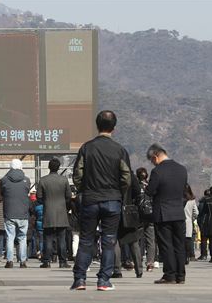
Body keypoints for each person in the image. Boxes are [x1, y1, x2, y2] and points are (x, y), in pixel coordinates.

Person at [71, 110, 131, 291]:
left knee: (86, 240)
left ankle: (80, 279)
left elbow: (77, 175)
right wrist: (118, 192)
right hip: (112, 200)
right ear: (114, 128)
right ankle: (104, 280)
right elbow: (126, 177)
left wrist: (85, 189)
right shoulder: (120, 150)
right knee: (109, 241)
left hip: (90, 199)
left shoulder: (87, 148)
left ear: (97, 125)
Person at [146, 143, 188, 285]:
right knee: (179, 244)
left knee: (166, 245)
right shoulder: (182, 169)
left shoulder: (157, 171)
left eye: (152, 161)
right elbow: (183, 190)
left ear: (155, 156)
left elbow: (150, 191)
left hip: (163, 212)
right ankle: (180, 275)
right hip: (178, 212)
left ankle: (169, 275)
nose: (153, 164)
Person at [37, 158, 72, 268]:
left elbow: (39, 197)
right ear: (58, 168)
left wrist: (47, 202)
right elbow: (69, 196)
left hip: (48, 212)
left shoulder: (43, 180)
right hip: (61, 212)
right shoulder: (64, 180)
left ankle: (46, 261)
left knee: (47, 238)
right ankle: (63, 261)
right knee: (62, 238)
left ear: (49, 167)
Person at [1, 159, 31, 269]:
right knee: (22, 237)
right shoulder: (26, 180)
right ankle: (22, 261)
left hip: (9, 212)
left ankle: (9, 261)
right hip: (23, 212)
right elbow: (26, 191)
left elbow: (2, 192)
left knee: (10, 237)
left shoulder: (4, 180)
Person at [113, 172, 144, 279]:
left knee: (114, 241)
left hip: (114, 209)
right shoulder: (130, 175)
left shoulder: (110, 173)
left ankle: (117, 270)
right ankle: (139, 269)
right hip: (129, 211)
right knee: (133, 241)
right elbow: (137, 192)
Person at [136, 167, 157, 271]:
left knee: (138, 239)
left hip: (138, 216)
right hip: (151, 215)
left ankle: (138, 261)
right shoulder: (151, 186)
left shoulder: (135, 186)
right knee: (150, 240)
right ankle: (150, 262)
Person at [183, 184, 199, 265]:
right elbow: (196, 212)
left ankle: (181, 257)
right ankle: (187, 257)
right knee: (188, 241)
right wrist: (192, 218)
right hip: (188, 222)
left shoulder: (178, 199)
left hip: (179, 221)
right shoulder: (192, 200)